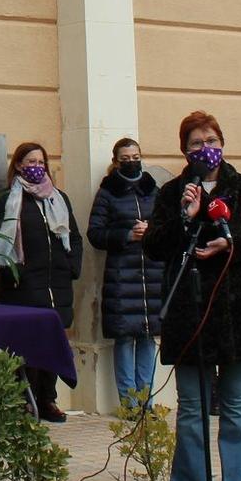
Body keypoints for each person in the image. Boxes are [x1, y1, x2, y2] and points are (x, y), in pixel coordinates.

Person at [143, 111, 241, 481]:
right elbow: (154, 245)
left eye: (212, 140)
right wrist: (186, 217)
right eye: (197, 142)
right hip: (191, 312)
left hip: (239, 313)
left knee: (237, 406)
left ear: (223, 143)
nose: (206, 148)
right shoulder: (171, 193)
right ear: (184, 149)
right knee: (192, 409)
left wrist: (230, 244)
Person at [0, 141, 83, 422]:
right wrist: (15, 274)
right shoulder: (7, 200)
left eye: (40, 162)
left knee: (52, 343)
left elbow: (74, 237)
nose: (36, 167)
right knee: (27, 345)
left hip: (58, 285)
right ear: (18, 165)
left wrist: (71, 267)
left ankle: (48, 400)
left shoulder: (58, 198)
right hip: (24, 285)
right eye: (30, 162)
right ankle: (25, 400)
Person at [86, 137, 163, 409]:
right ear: (116, 161)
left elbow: (168, 226)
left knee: (147, 337)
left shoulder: (153, 190)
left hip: (152, 273)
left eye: (136, 156)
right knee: (125, 337)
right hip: (121, 275)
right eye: (126, 158)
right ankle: (129, 403)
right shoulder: (107, 193)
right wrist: (127, 235)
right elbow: (95, 233)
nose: (132, 162)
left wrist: (151, 231)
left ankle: (147, 401)